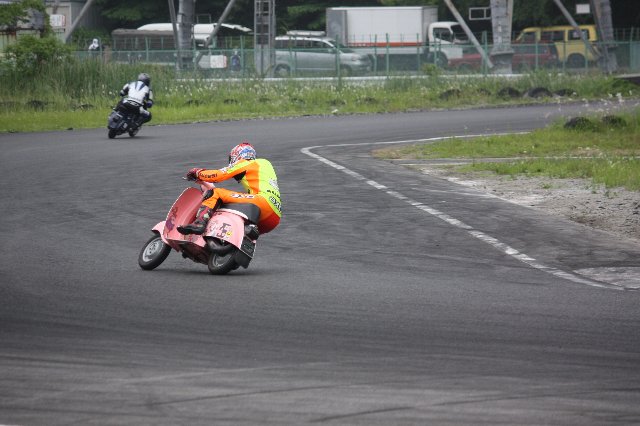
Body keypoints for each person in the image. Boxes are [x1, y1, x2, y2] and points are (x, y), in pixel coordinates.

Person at [178, 141, 282, 236]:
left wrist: (197, 172)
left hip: (262, 202)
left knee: (216, 193)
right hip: (274, 217)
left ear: (238, 155)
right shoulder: (265, 164)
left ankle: (199, 223)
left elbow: (218, 175)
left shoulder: (247, 163)